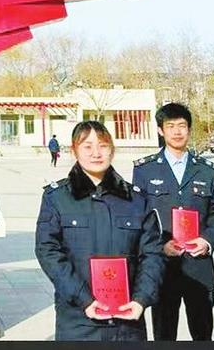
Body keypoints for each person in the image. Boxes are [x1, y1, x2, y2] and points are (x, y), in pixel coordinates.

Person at [35, 120, 164, 341]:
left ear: (112, 150)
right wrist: (83, 298)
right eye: (87, 146)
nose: (96, 153)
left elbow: (153, 253)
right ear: (74, 151)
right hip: (78, 320)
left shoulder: (136, 200)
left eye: (103, 146)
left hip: (127, 322)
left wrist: (141, 299)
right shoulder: (57, 198)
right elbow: (48, 251)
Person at [132, 102, 214, 340]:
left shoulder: (206, 170)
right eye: (170, 126)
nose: (177, 131)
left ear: (189, 129)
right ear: (160, 130)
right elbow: (138, 216)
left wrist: (207, 241)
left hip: (198, 266)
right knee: (164, 334)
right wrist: (158, 246)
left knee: (203, 333)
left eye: (182, 126)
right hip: (162, 266)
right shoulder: (145, 170)